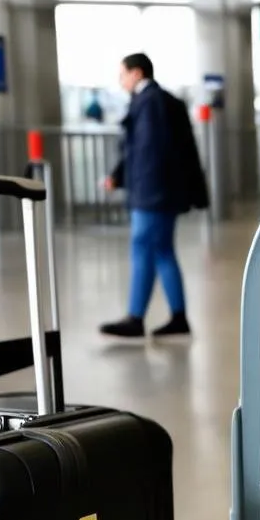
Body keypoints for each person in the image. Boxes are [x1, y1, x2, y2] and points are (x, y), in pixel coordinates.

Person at [100, 53, 208, 339]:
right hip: (159, 193)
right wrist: (118, 175)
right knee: (161, 252)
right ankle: (178, 316)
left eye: (122, 73)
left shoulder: (150, 103)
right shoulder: (159, 101)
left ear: (136, 73)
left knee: (143, 248)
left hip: (152, 194)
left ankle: (135, 318)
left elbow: (149, 154)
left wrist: (143, 195)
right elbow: (140, 151)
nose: (120, 80)